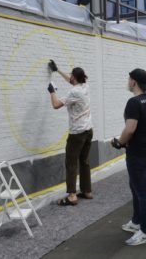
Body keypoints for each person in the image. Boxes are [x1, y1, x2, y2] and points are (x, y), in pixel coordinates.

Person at [111, 68, 146, 246]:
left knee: (142, 192)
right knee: (135, 187)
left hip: (137, 152)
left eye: (129, 79)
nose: (127, 82)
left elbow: (130, 129)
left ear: (134, 82)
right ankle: (136, 221)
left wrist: (119, 143)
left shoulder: (134, 102)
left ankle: (145, 231)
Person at [47, 60, 93, 206]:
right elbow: (71, 80)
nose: (70, 77)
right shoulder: (85, 86)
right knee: (84, 161)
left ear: (74, 77)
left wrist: (52, 91)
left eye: (71, 75)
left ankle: (72, 196)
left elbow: (55, 105)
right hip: (88, 130)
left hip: (77, 133)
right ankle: (87, 191)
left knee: (71, 163)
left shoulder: (74, 92)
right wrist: (58, 70)